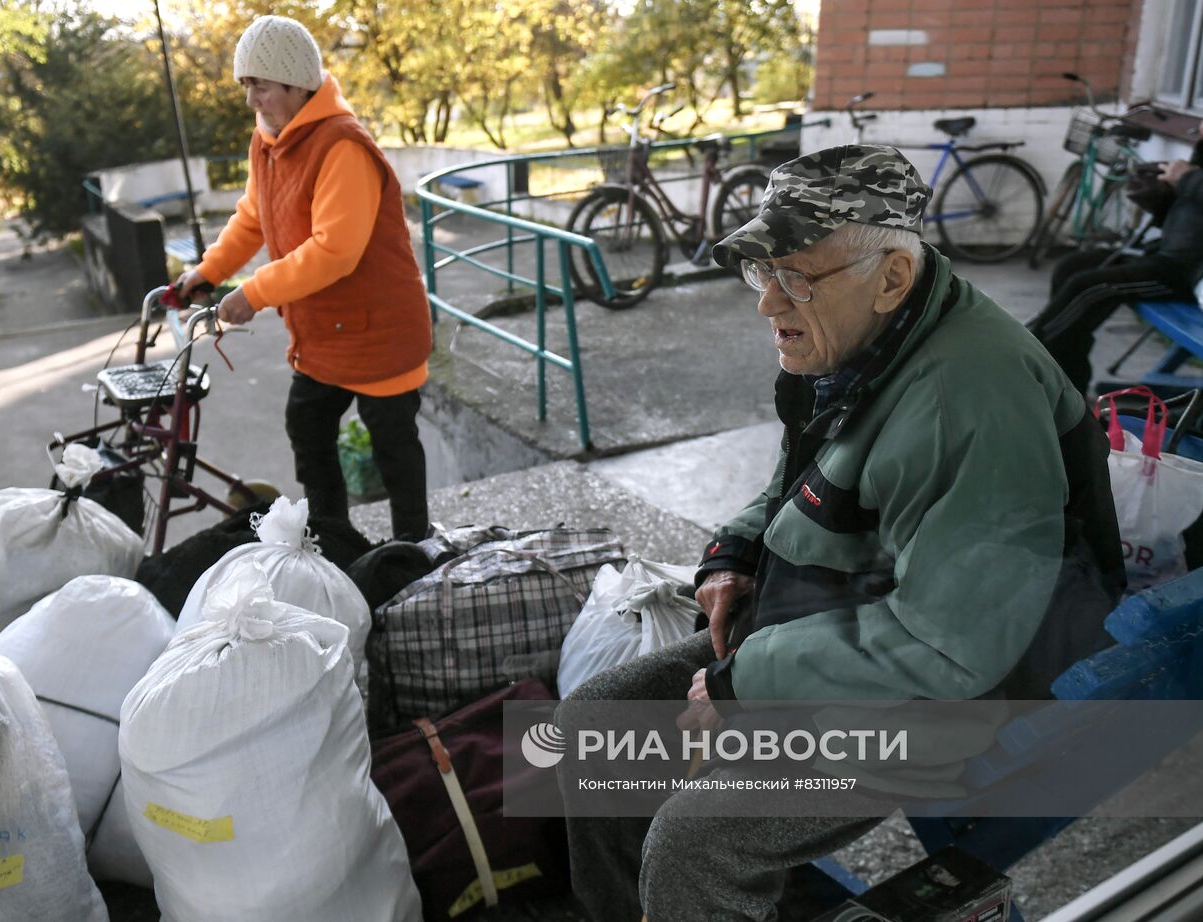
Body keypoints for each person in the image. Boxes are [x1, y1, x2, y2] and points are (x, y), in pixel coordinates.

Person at [558, 145, 1126, 922]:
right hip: (840, 623)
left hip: (964, 684)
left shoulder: (967, 398)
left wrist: (745, 683)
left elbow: (953, 646)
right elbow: (805, 481)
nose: (769, 304)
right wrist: (735, 552)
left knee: (697, 840)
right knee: (595, 727)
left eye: (796, 277)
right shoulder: (855, 342)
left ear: (892, 276)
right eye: (764, 272)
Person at [175, 15, 433, 540]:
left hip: (378, 328)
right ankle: (331, 543)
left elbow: (334, 251)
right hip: (325, 333)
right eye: (246, 86)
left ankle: (413, 551)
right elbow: (254, 216)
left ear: (296, 84)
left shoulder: (342, 146)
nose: (252, 100)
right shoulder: (269, 140)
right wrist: (208, 272)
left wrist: (254, 292)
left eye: (261, 86)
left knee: (393, 448)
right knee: (308, 429)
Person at [1029, 123, 1203, 393]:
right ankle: (1066, 381)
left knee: (1087, 288)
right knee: (1070, 267)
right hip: (1161, 254)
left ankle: (1032, 356)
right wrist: (1160, 193)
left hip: (1184, 276)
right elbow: (1189, 215)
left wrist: (1187, 179)